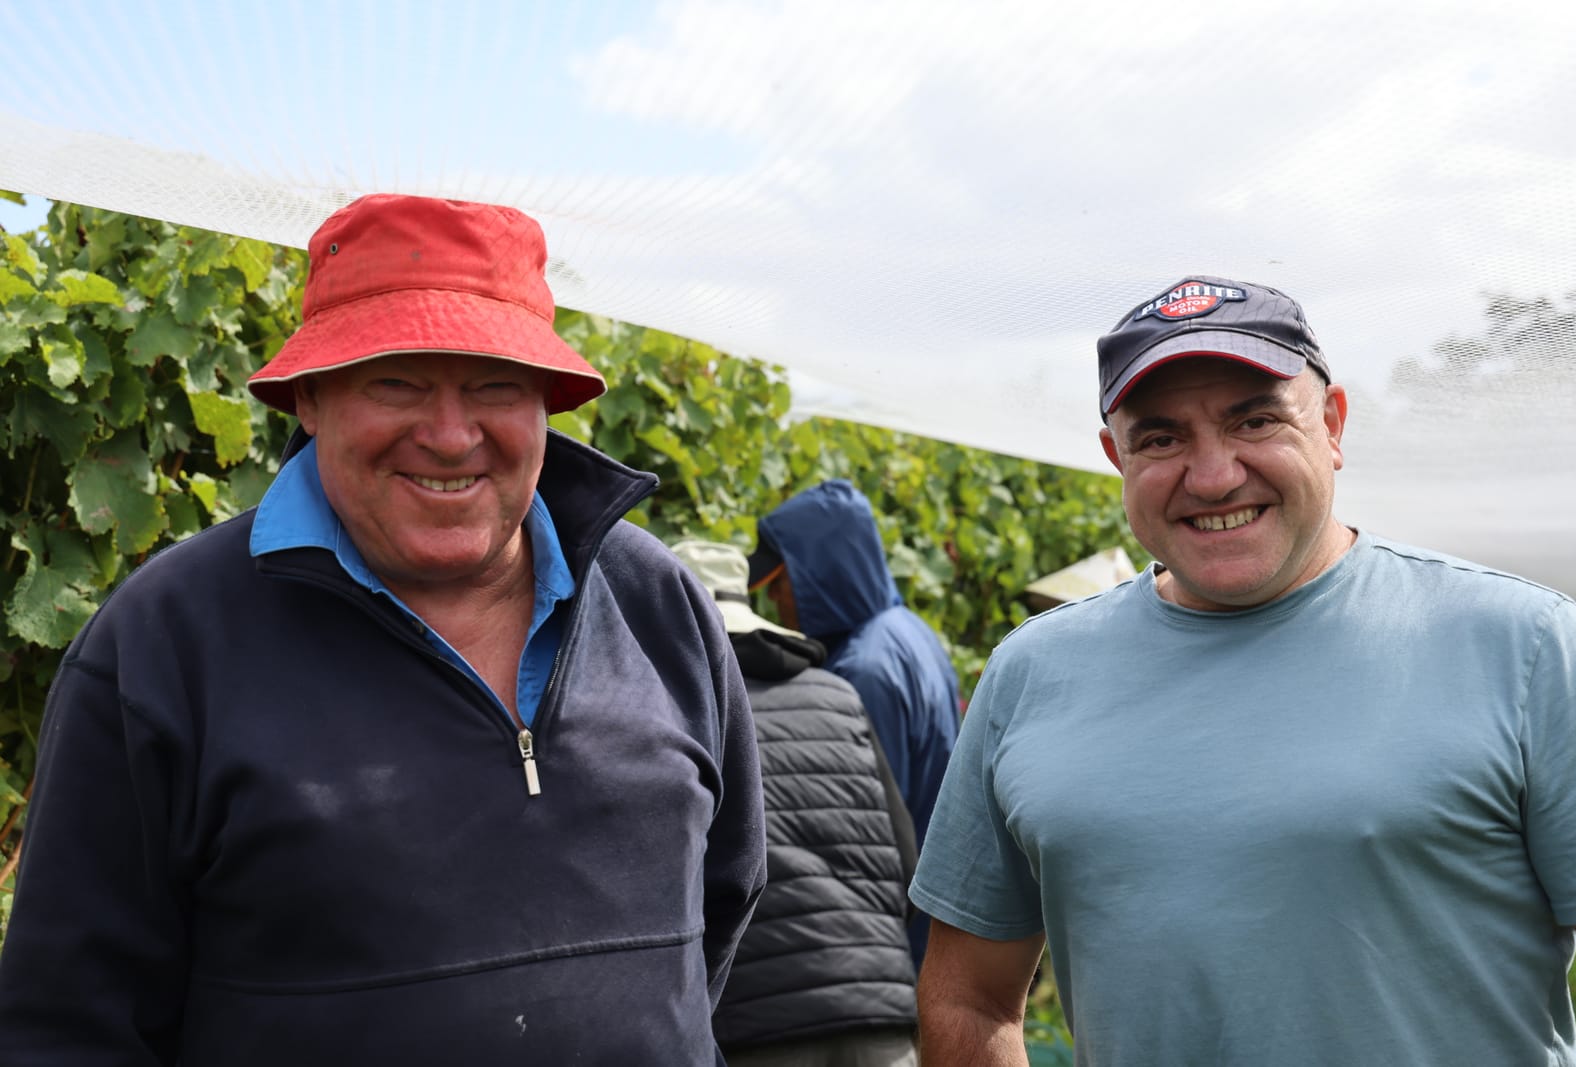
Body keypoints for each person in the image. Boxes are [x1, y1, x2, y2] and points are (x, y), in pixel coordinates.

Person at [0, 194, 766, 1066]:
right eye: (396, 380)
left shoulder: (657, 603)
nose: (449, 434)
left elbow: (717, 912)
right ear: (312, 399)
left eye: (495, 385)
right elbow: (66, 1026)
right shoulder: (164, 641)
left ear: (546, 405)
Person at [910, 275, 1576, 1066]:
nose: (1212, 476)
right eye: (1162, 438)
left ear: (1333, 425)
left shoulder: (1521, 645)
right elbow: (968, 995)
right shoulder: (1031, 674)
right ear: (1116, 455)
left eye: (1255, 420)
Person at [673, 539, 920, 1067]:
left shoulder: (681, 712)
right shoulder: (839, 695)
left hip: (757, 1024)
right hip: (880, 1010)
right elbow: (908, 863)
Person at [748, 480, 964, 965]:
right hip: (933, 921)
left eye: (782, 586)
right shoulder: (908, 633)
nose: (778, 606)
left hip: (895, 942)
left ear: (818, 578)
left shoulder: (862, 671)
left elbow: (864, 831)